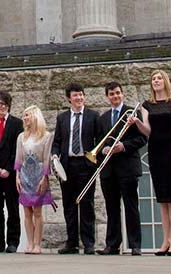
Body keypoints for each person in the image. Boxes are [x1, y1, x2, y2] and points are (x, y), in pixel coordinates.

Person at [129, 72, 171, 256]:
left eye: (159, 78)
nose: (156, 81)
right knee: (161, 197)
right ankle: (165, 240)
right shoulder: (147, 105)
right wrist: (136, 121)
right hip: (155, 150)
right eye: (153, 79)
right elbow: (147, 131)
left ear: (166, 81)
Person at [52, 83, 102, 255]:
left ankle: (88, 243)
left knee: (87, 204)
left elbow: (100, 140)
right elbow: (57, 141)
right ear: (69, 98)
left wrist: (96, 161)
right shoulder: (62, 118)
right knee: (69, 205)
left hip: (86, 165)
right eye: (75, 95)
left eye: (81, 95)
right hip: (67, 166)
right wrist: (54, 155)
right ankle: (72, 243)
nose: (79, 98)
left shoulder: (93, 116)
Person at [96, 82, 145, 256]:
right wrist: (103, 149)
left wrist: (123, 146)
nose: (115, 96)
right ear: (107, 96)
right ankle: (112, 245)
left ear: (122, 94)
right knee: (111, 208)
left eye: (117, 93)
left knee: (131, 207)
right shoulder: (103, 118)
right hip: (109, 170)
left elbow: (142, 139)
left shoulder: (132, 113)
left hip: (127, 167)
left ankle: (135, 245)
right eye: (111, 94)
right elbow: (98, 143)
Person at [15, 105, 54, 255]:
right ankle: (30, 243)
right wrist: (17, 176)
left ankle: (38, 244)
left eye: (27, 115)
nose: (24, 118)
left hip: (38, 175)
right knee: (26, 212)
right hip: (25, 175)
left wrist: (45, 177)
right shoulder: (21, 137)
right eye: (24, 115)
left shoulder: (46, 136)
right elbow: (19, 158)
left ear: (35, 116)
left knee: (37, 211)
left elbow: (46, 159)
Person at [0, 91, 23, 253]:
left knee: (12, 208)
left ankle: (13, 242)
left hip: (10, 174)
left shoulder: (17, 124)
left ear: (8, 106)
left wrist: (8, 168)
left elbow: (17, 148)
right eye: (0, 104)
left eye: (5, 105)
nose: (2, 107)